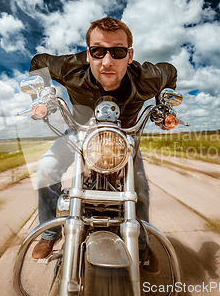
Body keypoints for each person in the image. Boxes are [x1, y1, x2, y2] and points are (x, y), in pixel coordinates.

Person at [29, 17, 177, 274]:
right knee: (45, 169)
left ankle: (141, 244)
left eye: (117, 51)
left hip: (124, 137)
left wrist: (163, 105)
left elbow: (170, 72)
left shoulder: (148, 78)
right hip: (79, 131)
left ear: (129, 55)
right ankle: (51, 232)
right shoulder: (69, 68)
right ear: (88, 54)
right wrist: (42, 94)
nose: (107, 61)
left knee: (139, 187)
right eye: (98, 51)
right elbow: (39, 61)